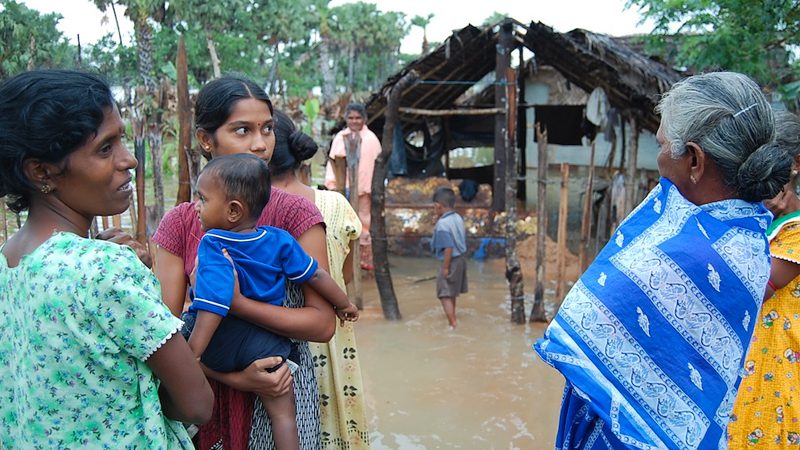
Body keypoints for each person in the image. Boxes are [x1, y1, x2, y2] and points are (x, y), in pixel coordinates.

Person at [534, 71, 792, 449]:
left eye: (661, 144)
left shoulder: (684, 255)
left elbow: (589, 329)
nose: (657, 160)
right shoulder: (748, 234)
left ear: (694, 161)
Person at [0, 69, 213, 448]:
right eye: (105, 148)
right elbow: (197, 403)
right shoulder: (103, 269)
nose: (129, 160)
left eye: (121, 140)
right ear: (41, 171)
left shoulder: (8, 263)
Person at [153, 74, 336, 450]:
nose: (260, 144)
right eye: (242, 130)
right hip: (205, 388)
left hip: (279, 383)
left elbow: (322, 324)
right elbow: (162, 335)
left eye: (267, 129)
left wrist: (239, 305)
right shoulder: (180, 224)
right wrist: (235, 378)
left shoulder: (296, 215)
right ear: (206, 139)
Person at [187, 154, 358, 450]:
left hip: (224, 340)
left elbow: (214, 305)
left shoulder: (213, 244)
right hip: (270, 345)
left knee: (173, 332)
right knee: (283, 414)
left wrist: (192, 355)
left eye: (202, 199)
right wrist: (343, 304)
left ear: (232, 210)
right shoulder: (279, 240)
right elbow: (315, 275)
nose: (197, 207)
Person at [271, 109, 372, 449]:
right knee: (339, 421)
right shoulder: (336, 204)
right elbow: (342, 275)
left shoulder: (246, 214)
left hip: (282, 343)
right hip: (335, 340)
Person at [728, 111, 800, 448]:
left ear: (795, 166)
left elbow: (752, 287)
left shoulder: (796, 234)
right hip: (750, 376)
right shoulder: (767, 227)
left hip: (776, 380)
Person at [323, 102, 381, 270]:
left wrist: (365, 189)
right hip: (342, 189)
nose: (354, 121)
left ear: (364, 119)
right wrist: (332, 186)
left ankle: (364, 262)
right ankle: (346, 261)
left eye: (358, 118)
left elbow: (370, 168)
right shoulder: (340, 137)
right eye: (351, 118)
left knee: (364, 223)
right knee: (342, 224)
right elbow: (333, 164)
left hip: (364, 190)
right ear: (346, 119)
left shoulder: (371, 139)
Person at [431, 187, 468, 329]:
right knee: (451, 290)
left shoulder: (443, 224)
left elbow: (448, 247)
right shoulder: (457, 217)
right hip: (460, 259)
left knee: (444, 293)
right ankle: (453, 317)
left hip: (450, 260)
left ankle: (453, 324)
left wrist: (445, 267)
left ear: (438, 205)